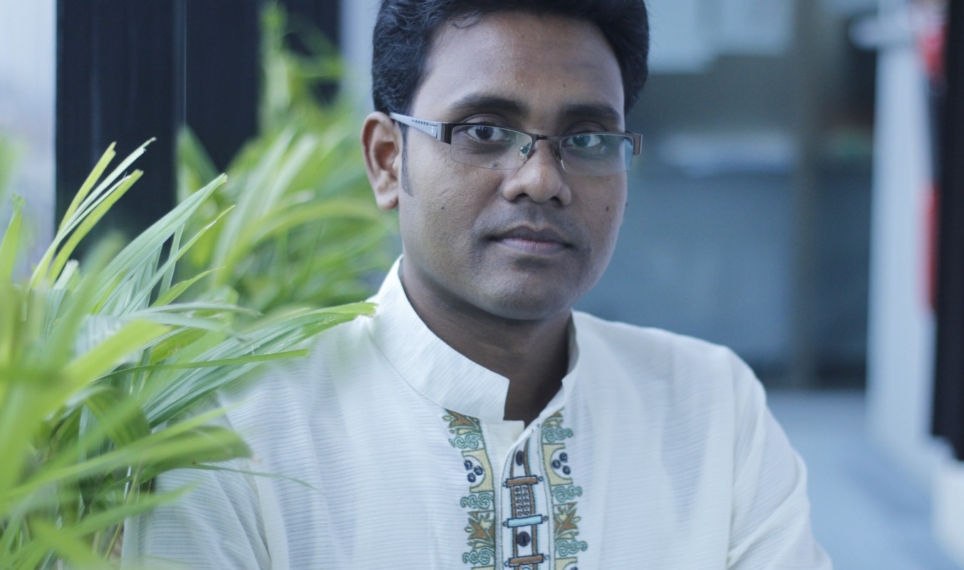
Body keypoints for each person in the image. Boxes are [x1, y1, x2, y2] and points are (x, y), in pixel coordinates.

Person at [126, 1, 832, 568]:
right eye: (485, 131)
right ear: (387, 161)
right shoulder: (240, 431)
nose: (541, 179)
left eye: (587, 139)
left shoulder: (712, 408)